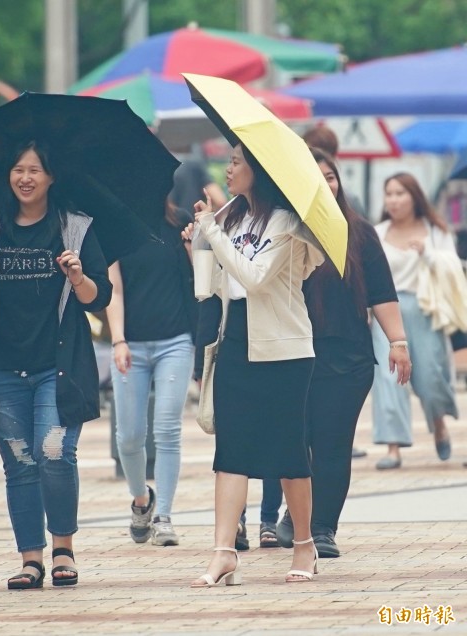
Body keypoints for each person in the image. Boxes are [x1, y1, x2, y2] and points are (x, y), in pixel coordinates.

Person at [0, 140, 112, 590]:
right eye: (18, 170)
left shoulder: (76, 229)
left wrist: (78, 277)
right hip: (0, 370)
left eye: (35, 170)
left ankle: (64, 549)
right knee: (20, 463)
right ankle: (31, 559)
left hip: (57, 368)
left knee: (55, 453)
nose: (25, 178)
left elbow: (99, 299)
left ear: (51, 177)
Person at [183, 142, 324, 587]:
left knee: (288, 452)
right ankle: (223, 552)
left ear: (259, 170)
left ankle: (304, 544)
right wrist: (198, 245)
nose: (227, 169)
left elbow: (257, 277)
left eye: (237, 162)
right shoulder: (231, 218)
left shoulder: (285, 222)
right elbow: (212, 289)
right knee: (231, 452)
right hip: (236, 341)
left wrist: (213, 230)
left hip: (284, 349)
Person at [274, 148, 411, 558]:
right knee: (299, 440)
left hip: (347, 357)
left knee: (333, 442)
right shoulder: (283, 230)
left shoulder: (359, 231)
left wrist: (398, 342)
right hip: (293, 352)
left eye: (330, 177)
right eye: (315, 178)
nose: (325, 184)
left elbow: (382, 292)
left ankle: (322, 528)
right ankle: (294, 516)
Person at [107, 199, 195, 546]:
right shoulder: (114, 229)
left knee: (167, 429)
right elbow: (113, 288)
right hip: (131, 344)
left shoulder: (179, 223)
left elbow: (197, 280)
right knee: (129, 435)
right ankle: (142, 501)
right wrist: (118, 340)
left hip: (176, 340)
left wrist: (193, 244)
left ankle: (165, 517)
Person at [371, 173, 459, 470]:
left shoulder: (435, 231)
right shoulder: (377, 233)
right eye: (389, 194)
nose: (393, 200)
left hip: (424, 307)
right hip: (386, 311)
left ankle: (439, 422)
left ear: (414, 196)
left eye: (400, 193)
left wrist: (427, 253)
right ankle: (393, 446)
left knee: (431, 376)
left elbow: (452, 269)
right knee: (388, 377)